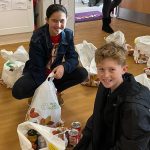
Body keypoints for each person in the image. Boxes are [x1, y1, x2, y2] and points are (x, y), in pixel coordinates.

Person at [74, 42, 150, 150]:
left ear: (124, 69)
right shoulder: (106, 85)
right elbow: (97, 116)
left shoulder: (134, 107)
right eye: (101, 69)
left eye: (112, 69)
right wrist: (84, 139)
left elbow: (133, 145)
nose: (105, 75)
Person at [12, 4, 88, 105]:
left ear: (67, 19)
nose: (58, 25)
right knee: (18, 90)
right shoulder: (37, 37)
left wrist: (63, 67)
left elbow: (73, 58)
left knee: (82, 73)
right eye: (54, 21)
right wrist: (44, 91)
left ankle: (56, 91)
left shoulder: (68, 34)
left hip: (55, 72)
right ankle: (38, 94)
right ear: (47, 20)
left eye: (62, 21)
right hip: (38, 72)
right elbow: (37, 67)